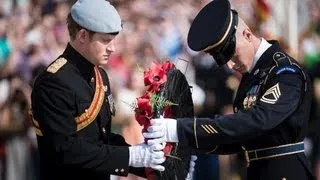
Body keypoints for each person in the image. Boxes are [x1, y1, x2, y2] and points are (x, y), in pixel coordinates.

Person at [143, 0, 315, 179]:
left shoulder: (284, 71)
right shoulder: (254, 74)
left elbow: (256, 121)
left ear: (247, 34)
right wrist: (186, 141)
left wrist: (181, 129)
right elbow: (237, 139)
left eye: (233, 55)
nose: (231, 65)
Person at [29, 0, 167, 179]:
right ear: (83, 36)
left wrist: (151, 164)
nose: (112, 48)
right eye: (105, 40)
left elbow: (104, 139)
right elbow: (65, 149)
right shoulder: (53, 82)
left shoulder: (100, 76)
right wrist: (130, 156)